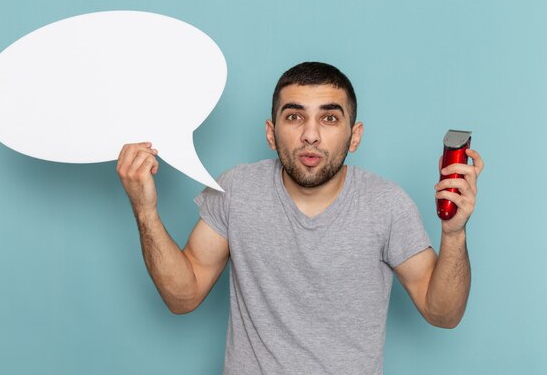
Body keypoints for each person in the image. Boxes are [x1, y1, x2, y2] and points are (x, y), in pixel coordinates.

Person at [116, 62, 484, 375]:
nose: (310, 135)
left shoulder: (386, 204)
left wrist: (454, 234)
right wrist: (145, 210)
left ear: (354, 136)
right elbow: (183, 297)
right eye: (294, 117)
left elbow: (443, 314)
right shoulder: (236, 190)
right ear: (270, 133)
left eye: (329, 118)